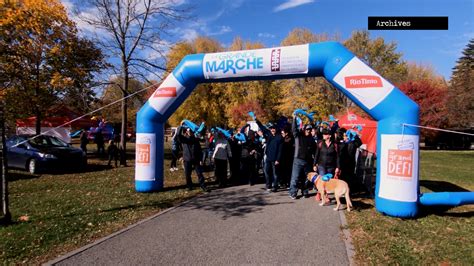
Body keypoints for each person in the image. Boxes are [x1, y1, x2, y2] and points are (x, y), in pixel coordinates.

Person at [289, 118, 316, 199]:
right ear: (304, 130)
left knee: (307, 178)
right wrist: (294, 119)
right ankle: (293, 192)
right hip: (298, 160)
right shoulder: (298, 136)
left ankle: (305, 191)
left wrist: (315, 162)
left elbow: (315, 151)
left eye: (310, 129)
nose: (308, 131)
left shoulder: (311, 139)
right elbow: (294, 129)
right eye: (307, 129)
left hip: (307, 161)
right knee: (295, 177)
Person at [178, 126, 210, 192]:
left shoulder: (195, 140)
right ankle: (190, 186)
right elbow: (178, 135)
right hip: (187, 159)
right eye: (188, 131)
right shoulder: (184, 139)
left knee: (200, 174)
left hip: (196, 160)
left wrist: (201, 159)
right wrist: (180, 127)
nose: (190, 132)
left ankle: (203, 186)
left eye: (191, 131)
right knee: (187, 174)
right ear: (186, 132)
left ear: (192, 132)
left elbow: (199, 150)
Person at [256, 120, 283, 192]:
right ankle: (268, 185)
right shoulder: (269, 135)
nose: (272, 130)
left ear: (276, 129)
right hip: (268, 157)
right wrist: (256, 120)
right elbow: (262, 127)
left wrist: (278, 159)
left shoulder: (279, 137)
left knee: (275, 173)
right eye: (271, 128)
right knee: (266, 171)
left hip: (275, 159)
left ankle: (275, 186)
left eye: (273, 128)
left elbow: (280, 150)